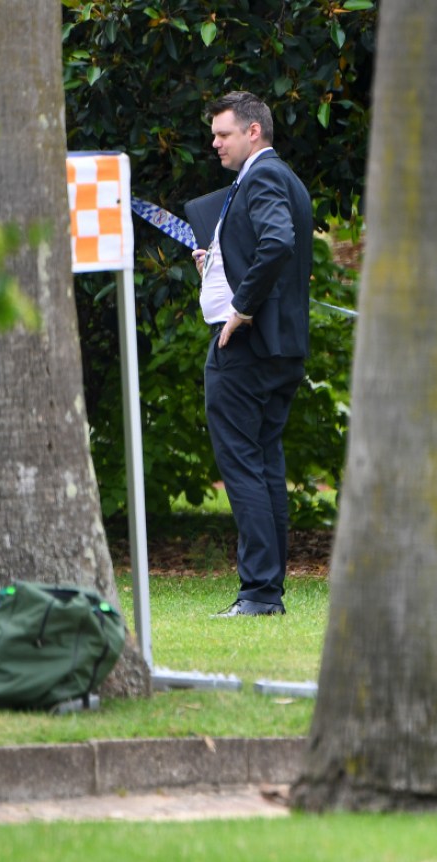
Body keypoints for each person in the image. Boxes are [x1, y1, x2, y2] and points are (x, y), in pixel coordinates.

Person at [190, 91, 312, 618]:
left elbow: (278, 241)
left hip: (246, 345)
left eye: (223, 134)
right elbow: (270, 248)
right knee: (263, 463)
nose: (215, 143)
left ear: (253, 132)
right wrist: (216, 264)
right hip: (280, 347)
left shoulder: (261, 177)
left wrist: (239, 307)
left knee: (243, 465)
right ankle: (266, 591)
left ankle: (260, 592)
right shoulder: (286, 180)